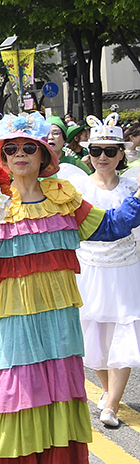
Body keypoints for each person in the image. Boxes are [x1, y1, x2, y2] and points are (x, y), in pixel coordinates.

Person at [0, 113, 140, 464]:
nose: (21, 154)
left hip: (58, 311)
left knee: (56, 386)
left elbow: (112, 227)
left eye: (29, 147)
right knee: (20, 390)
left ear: (43, 155)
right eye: (12, 148)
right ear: (1, 156)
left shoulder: (63, 196)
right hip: (15, 313)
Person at [61, 115, 140, 429]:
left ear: (122, 154)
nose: (103, 158)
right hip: (89, 268)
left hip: (126, 268)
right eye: (96, 151)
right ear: (87, 154)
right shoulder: (76, 188)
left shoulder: (133, 187)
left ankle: (112, 403)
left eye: (110, 151)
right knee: (93, 332)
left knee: (125, 328)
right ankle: (109, 391)